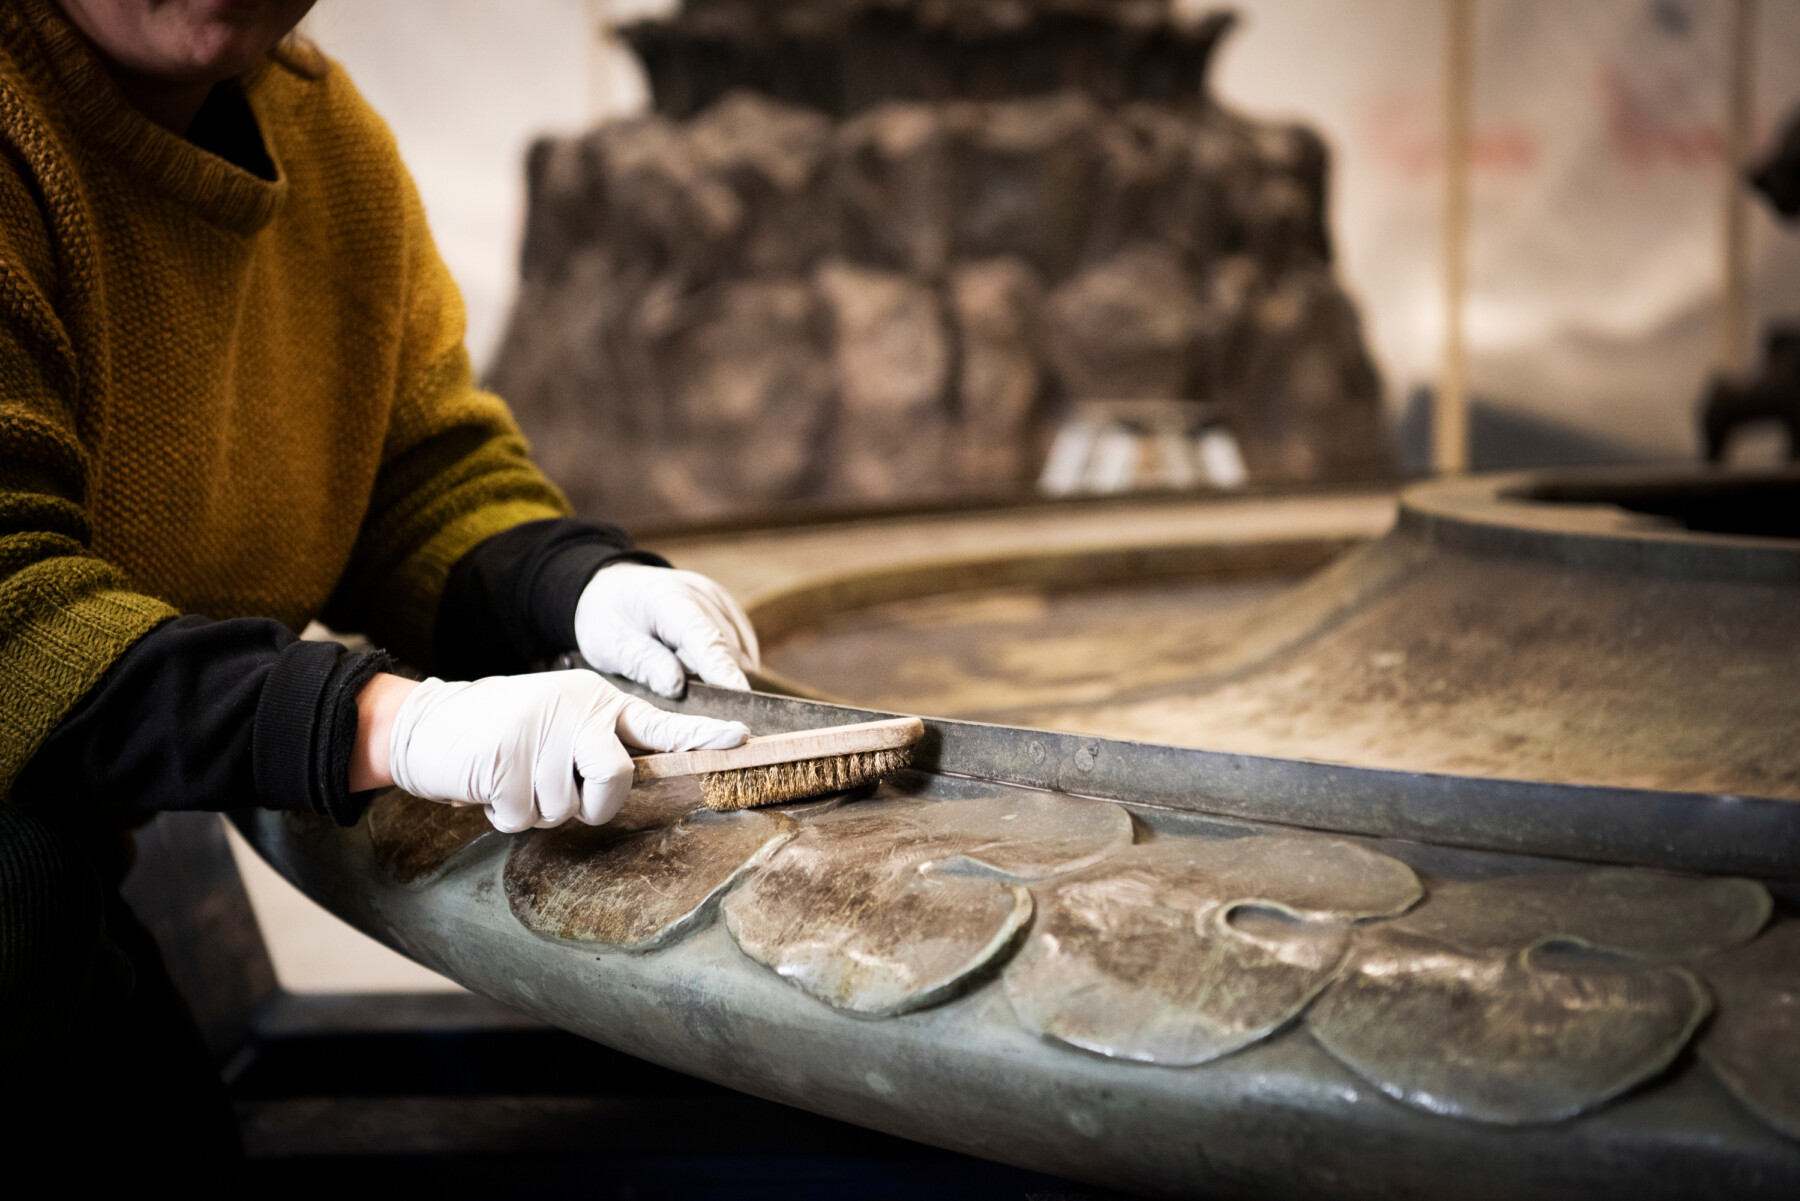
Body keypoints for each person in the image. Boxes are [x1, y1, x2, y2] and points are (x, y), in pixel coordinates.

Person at [0, 0, 759, 1159]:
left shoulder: (328, 146)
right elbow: (13, 610)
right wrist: (389, 724)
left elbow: (413, 478)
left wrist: (577, 584)